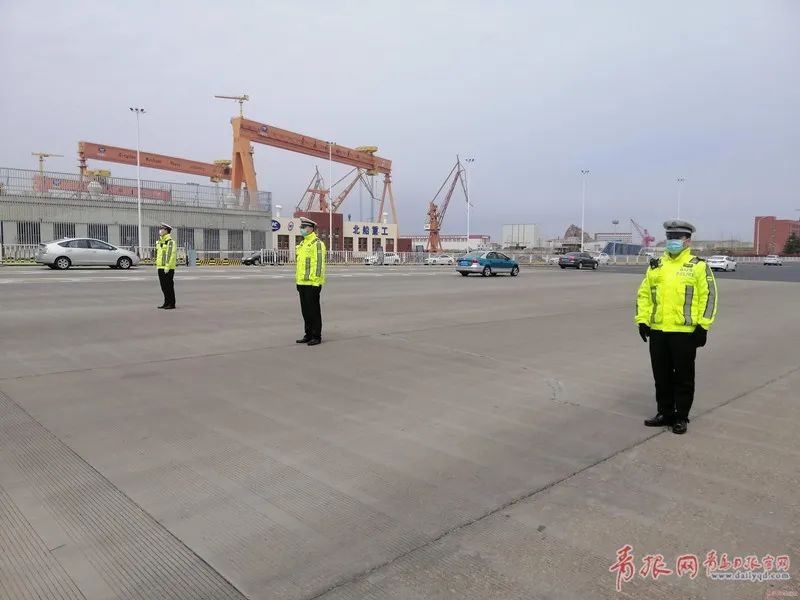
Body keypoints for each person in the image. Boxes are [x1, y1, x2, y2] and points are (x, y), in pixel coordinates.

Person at [635, 220, 718, 434]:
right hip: (659, 331)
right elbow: (644, 294)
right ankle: (665, 413)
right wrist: (642, 320)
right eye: (670, 237)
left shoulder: (698, 266)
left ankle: (681, 416)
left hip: (685, 333)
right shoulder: (656, 266)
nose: (672, 241)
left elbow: (709, 297)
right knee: (661, 376)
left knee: (683, 377)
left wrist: (703, 326)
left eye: (677, 238)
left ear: (688, 241)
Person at [295, 217, 326, 345]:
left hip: (312, 284)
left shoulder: (317, 243)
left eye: (304, 227)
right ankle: (308, 334)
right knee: (305, 311)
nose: (301, 229)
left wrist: (316, 283)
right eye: (301, 227)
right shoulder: (302, 244)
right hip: (302, 283)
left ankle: (316, 336)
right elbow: (300, 265)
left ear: (311, 229)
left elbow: (319, 265)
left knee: (314, 311)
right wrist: (298, 282)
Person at [155, 222, 177, 309]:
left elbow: (170, 255)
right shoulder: (160, 242)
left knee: (169, 286)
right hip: (160, 267)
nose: (160, 230)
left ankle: (172, 303)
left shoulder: (170, 242)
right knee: (163, 287)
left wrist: (167, 266)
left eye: (162, 229)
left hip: (168, 268)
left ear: (167, 231)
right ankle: (166, 302)